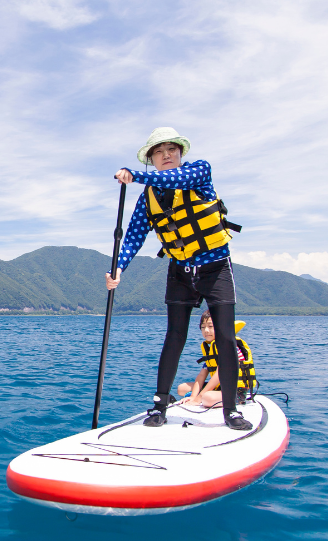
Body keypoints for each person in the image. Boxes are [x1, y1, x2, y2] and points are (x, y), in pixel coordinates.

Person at [105, 127, 252, 430]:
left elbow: (175, 180)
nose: (167, 155)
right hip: (180, 270)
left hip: (215, 266)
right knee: (175, 336)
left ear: (181, 154)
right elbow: (132, 237)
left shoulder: (199, 171)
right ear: (152, 158)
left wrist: (135, 175)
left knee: (225, 336)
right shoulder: (149, 197)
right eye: (159, 151)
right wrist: (118, 268)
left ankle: (230, 410)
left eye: (172, 149)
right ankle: (160, 404)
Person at [178, 310, 257, 408]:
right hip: (219, 387)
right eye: (203, 327)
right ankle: (210, 396)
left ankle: (237, 399)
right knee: (181, 388)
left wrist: (199, 398)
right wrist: (194, 396)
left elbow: (220, 374)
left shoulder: (229, 347)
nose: (206, 330)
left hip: (236, 390)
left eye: (211, 326)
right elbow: (202, 375)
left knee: (207, 398)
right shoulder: (211, 348)